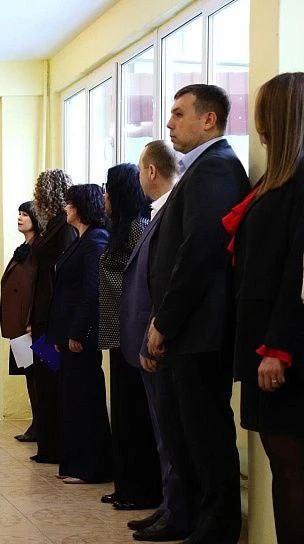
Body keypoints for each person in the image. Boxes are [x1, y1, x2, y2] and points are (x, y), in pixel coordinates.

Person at [145, 84, 249, 543]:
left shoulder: (216, 168)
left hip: (200, 330)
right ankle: (185, 515)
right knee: (183, 431)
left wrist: (165, 321)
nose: (169, 123)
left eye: (178, 113)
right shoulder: (201, 168)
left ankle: (216, 527)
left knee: (205, 434)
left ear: (208, 120)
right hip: (188, 329)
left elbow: (199, 253)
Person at [225, 72, 304, 544]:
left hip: (281, 348)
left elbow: (298, 273)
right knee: (283, 466)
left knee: (292, 469)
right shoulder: (275, 181)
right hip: (262, 340)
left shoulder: (298, 183)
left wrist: (278, 348)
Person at [120, 140, 187, 537]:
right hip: (147, 338)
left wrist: (150, 338)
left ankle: (176, 509)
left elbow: (160, 284)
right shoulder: (157, 212)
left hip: (157, 340)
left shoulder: (170, 212)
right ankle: (168, 504)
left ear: (150, 171)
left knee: (170, 435)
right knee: (164, 435)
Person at [97, 163, 161, 511]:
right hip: (117, 330)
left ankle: (140, 488)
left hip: (133, 331)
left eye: (109, 189)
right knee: (122, 413)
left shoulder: (139, 227)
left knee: (135, 414)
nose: (104, 196)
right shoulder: (119, 228)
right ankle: (125, 485)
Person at [46, 184, 112, 484]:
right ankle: (75, 463)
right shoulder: (80, 239)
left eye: (70, 204)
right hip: (66, 331)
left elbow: (92, 290)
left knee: (85, 399)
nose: (66, 208)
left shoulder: (96, 239)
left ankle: (91, 466)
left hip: (80, 333)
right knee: (72, 399)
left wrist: (77, 331)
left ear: (82, 206)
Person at [26, 170, 77, 459]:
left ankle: (53, 445)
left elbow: (62, 275)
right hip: (43, 314)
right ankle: (47, 443)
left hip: (51, 317)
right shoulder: (53, 226)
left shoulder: (62, 227)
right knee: (44, 379)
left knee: (50, 379)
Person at [0, 202, 42, 442]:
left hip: (31, 325)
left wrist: (32, 319)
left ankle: (42, 424)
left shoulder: (40, 248)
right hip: (19, 326)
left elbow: (38, 287)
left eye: (25, 214)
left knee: (39, 375)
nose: (20, 218)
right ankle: (37, 423)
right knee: (29, 373)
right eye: (19, 214)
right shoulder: (25, 248)